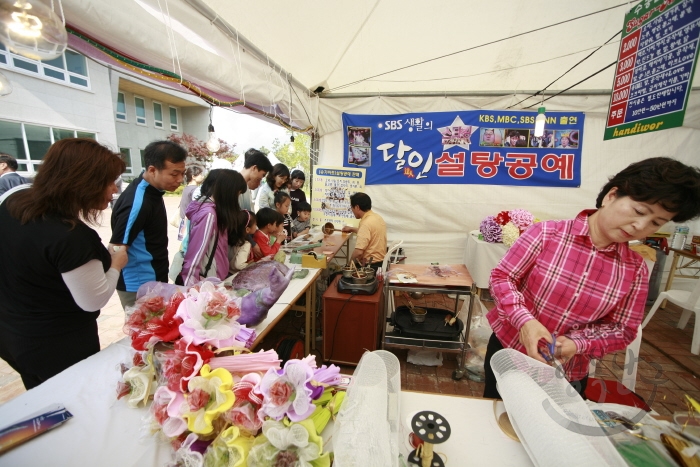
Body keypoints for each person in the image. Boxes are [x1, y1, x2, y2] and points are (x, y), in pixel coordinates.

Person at [483, 157, 700, 400]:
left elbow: (624, 328)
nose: (640, 225)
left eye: (656, 223)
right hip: (510, 351)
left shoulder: (635, 269)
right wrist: (525, 321)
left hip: (567, 370)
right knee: (497, 417)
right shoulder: (547, 234)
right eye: (639, 211)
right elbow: (503, 277)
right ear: (611, 195)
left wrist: (578, 343)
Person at [0, 139, 128, 389]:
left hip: (11, 332)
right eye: (109, 182)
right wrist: (116, 263)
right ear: (82, 182)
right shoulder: (71, 237)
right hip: (56, 345)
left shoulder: (14, 200)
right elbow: (93, 299)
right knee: (71, 402)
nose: (114, 190)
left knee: (39, 394)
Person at [110, 140, 187, 309]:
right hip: (138, 287)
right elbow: (116, 247)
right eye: (174, 174)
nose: (180, 180)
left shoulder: (154, 192)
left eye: (183, 173)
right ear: (152, 170)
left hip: (154, 281)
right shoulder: (137, 202)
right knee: (144, 332)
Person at [180, 169, 247, 287]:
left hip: (213, 279)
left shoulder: (212, 209)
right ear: (228, 191)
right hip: (206, 283)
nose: (237, 198)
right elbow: (195, 253)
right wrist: (190, 288)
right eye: (238, 193)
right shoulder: (209, 214)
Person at [341, 192, 387, 270]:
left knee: (335, 277)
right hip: (381, 264)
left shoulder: (365, 223)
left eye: (352, 207)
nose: (352, 210)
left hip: (370, 267)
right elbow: (370, 233)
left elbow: (358, 253)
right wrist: (352, 229)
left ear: (357, 207)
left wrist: (349, 265)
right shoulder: (377, 217)